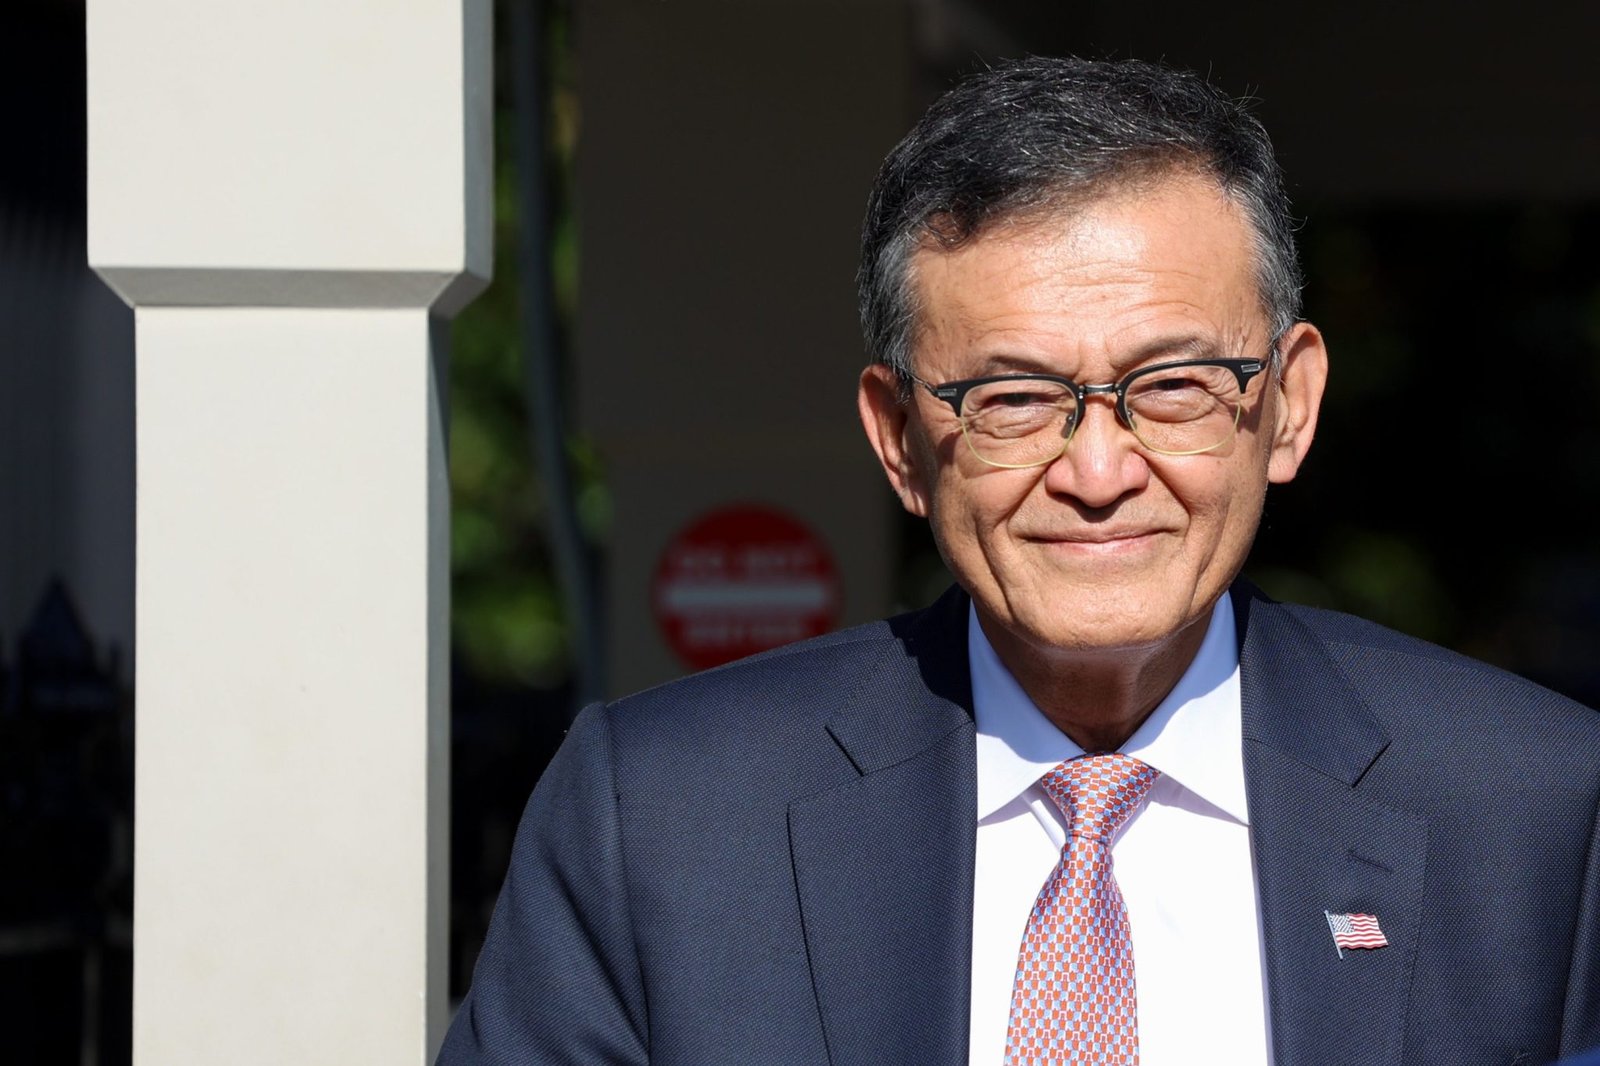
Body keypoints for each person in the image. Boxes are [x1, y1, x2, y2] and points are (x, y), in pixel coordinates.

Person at [437, 56, 1600, 1066]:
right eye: (1013, 398)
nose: (1096, 470)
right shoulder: (666, 822)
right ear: (899, 438)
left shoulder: (1530, 811)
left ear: (1287, 405)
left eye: (1172, 386)